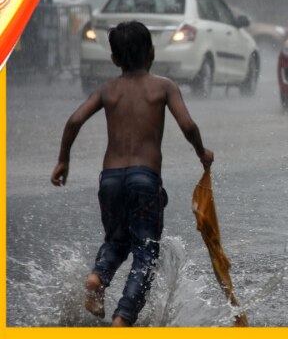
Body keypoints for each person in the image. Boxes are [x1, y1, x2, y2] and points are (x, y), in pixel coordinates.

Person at [50, 21, 214, 327]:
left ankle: (97, 277)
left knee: (115, 240)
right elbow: (188, 125)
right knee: (145, 253)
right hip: (145, 179)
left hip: (110, 178)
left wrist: (63, 161)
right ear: (152, 52)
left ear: (114, 59)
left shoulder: (107, 90)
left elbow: (74, 121)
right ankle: (123, 318)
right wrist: (201, 152)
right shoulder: (164, 86)